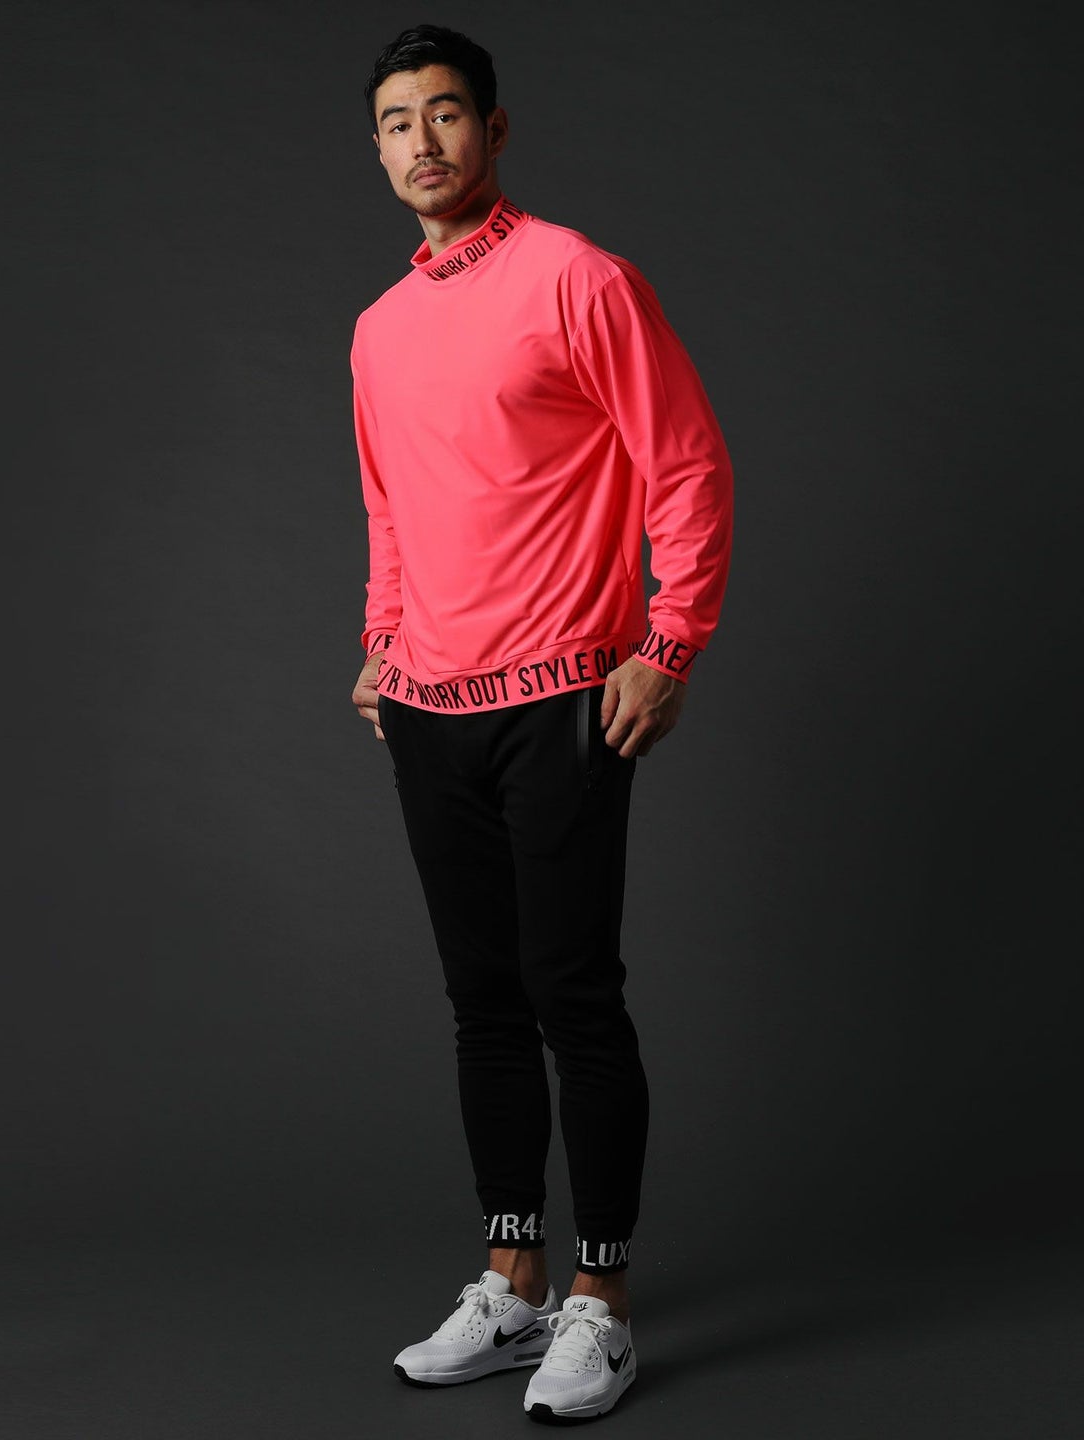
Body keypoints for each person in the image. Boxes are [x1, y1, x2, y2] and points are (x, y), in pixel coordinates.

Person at [349, 23, 733, 1425]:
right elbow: (391, 505)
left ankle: (602, 1303)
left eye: (447, 113)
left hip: (566, 694)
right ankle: (510, 1282)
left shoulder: (578, 277)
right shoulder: (377, 328)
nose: (424, 141)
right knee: (483, 1002)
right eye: (398, 122)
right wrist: (382, 642)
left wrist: (670, 644)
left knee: (574, 995)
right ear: (377, 149)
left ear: (495, 130)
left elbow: (685, 464)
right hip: (429, 707)